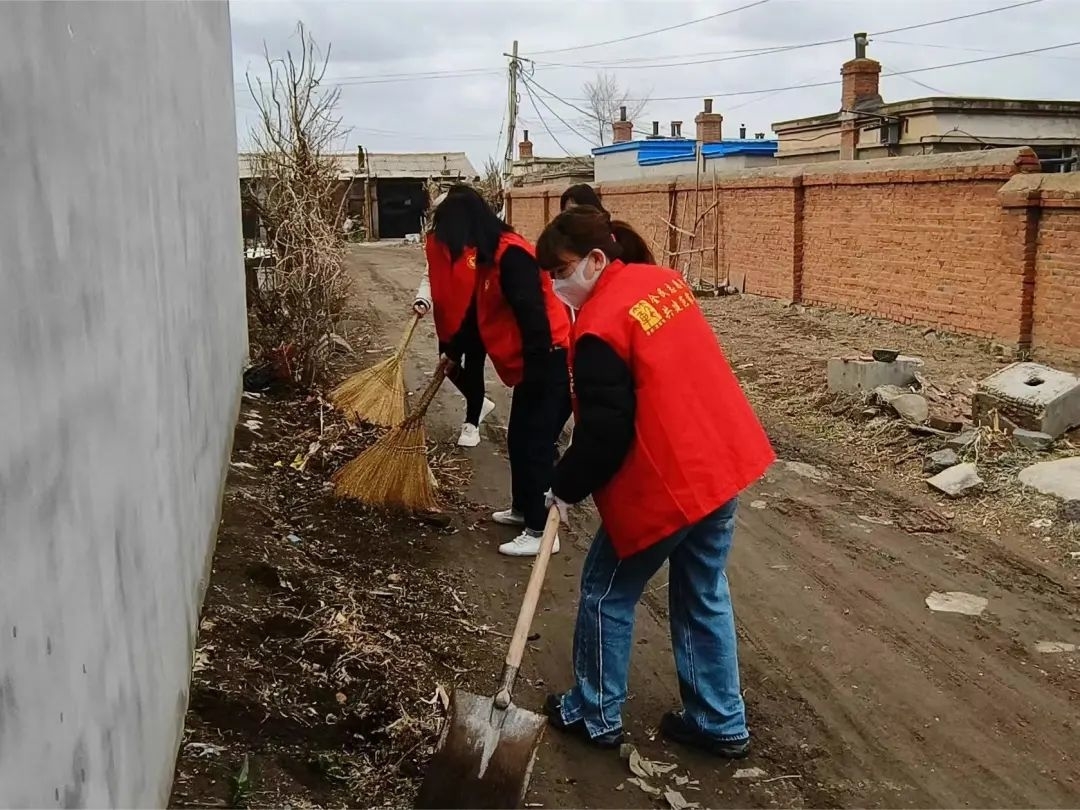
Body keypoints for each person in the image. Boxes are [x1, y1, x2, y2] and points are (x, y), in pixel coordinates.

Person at [534, 206, 775, 757]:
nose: (555, 284)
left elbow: (605, 432)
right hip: (719, 465)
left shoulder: (599, 327)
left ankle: (593, 712)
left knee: (605, 591)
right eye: (548, 275)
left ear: (597, 260)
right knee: (703, 592)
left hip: (669, 483)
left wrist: (564, 485)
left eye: (561, 271)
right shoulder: (663, 283)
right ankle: (719, 721)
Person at [434, 185, 572, 557]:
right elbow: (476, 315)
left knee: (535, 445)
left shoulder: (512, 256)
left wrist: (538, 371)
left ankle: (542, 530)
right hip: (531, 366)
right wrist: (452, 350)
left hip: (548, 359)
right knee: (518, 439)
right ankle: (523, 509)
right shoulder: (488, 258)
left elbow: (534, 317)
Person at [414, 193, 494, 447]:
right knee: (446, 366)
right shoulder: (434, 244)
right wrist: (422, 299)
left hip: (475, 322)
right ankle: (479, 401)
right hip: (447, 319)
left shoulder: (480, 246)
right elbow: (429, 276)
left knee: (474, 369)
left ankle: (471, 423)